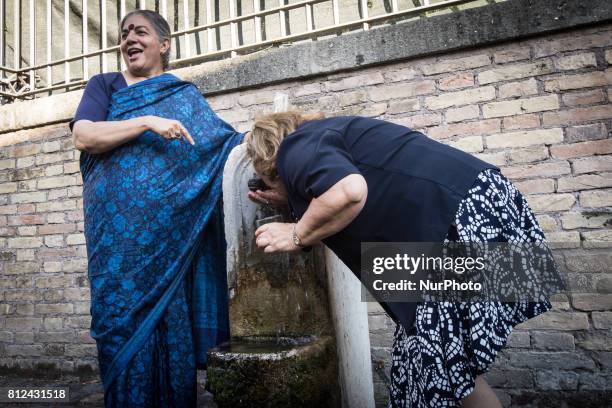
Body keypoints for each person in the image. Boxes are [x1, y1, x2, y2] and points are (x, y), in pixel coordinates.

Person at [244, 111, 554, 408]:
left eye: (263, 181)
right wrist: (293, 203)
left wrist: (297, 233)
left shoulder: (296, 147)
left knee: (434, 363)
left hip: (454, 218)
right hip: (458, 214)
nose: (263, 189)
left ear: (270, 161)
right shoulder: (323, 139)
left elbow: (350, 191)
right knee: (438, 363)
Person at [70, 10, 243, 407]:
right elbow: (84, 135)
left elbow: (220, 148)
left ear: (163, 44)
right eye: (124, 32)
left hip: (169, 246)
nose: (129, 37)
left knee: (170, 322)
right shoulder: (106, 86)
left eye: (140, 31)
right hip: (115, 243)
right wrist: (147, 121)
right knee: (117, 323)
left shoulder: (183, 97)